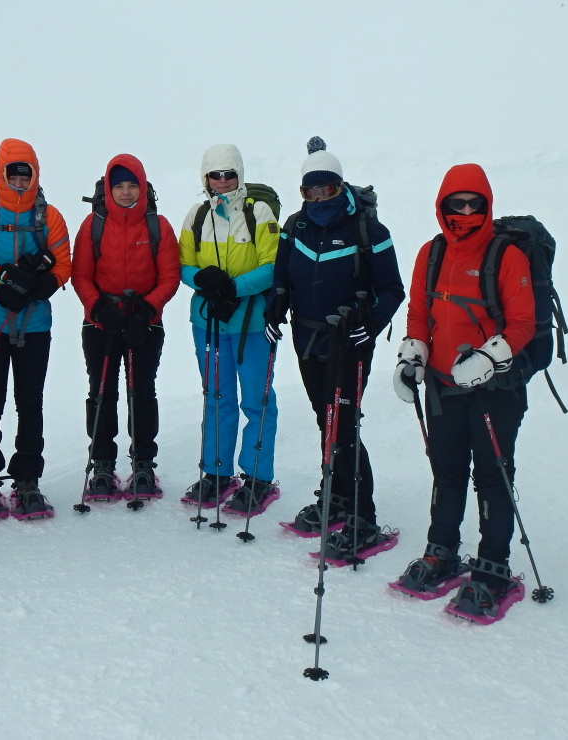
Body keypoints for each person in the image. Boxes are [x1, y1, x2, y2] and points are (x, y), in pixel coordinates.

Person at [391, 163, 535, 620]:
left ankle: (493, 566)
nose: (466, 212)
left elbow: (523, 323)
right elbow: (419, 312)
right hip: (443, 384)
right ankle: (442, 551)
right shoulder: (429, 254)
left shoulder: (506, 255)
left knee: (493, 473)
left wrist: (489, 358)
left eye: (475, 203)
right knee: (447, 469)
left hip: (496, 388)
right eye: (457, 203)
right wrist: (412, 356)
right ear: (443, 205)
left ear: (487, 205)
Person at [267, 137, 404, 560]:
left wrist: (370, 323)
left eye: (326, 189)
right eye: (310, 190)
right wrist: (275, 308)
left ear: (341, 186)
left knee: (343, 424)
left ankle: (363, 514)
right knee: (324, 420)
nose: (318, 197)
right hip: (307, 338)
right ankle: (339, 496)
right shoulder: (295, 226)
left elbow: (392, 289)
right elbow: (282, 278)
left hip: (350, 341)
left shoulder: (368, 230)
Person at [0, 138, 71, 521]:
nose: (20, 183)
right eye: (13, 175)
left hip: (34, 325)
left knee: (30, 403)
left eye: (27, 176)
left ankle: (28, 481)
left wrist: (41, 286)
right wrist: (2, 277)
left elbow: (64, 264)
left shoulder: (48, 216)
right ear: (0, 174)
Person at [70, 154, 180, 500]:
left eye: (132, 185)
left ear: (142, 186)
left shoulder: (158, 225)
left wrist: (146, 310)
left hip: (143, 322)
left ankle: (143, 464)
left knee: (142, 392)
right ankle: (102, 465)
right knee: (102, 393)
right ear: (108, 188)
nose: (127, 192)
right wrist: (99, 307)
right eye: (119, 186)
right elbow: (81, 276)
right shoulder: (93, 225)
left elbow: (170, 277)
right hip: (102, 321)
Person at [178, 143, 280, 513]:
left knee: (257, 400)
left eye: (229, 174)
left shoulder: (259, 212)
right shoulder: (197, 215)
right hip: (209, 324)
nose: (222, 182)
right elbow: (183, 264)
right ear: (205, 178)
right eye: (215, 175)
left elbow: (273, 266)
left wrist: (235, 287)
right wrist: (204, 280)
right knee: (216, 398)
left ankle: (258, 478)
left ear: (240, 174)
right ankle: (217, 473)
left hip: (253, 323)